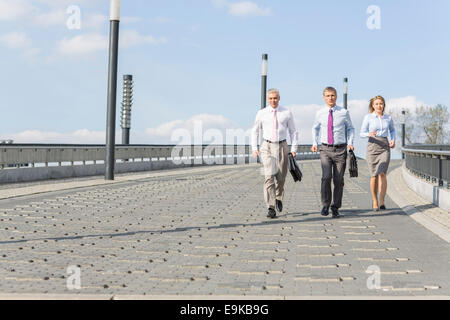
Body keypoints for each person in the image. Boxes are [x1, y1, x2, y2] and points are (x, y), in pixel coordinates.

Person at [252, 89, 298, 219]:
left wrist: (293, 148)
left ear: (279, 98)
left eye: (275, 98)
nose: (273, 100)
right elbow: (255, 131)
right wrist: (254, 147)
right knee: (268, 177)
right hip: (266, 146)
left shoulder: (286, 113)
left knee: (281, 178)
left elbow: (293, 132)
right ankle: (271, 207)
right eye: (271, 98)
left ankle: (278, 197)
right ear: (268, 99)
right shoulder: (262, 113)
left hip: (282, 145)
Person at [311, 87, 355, 218]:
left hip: (341, 149)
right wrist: (314, 142)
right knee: (326, 177)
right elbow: (315, 128)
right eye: (328, 96)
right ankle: (325, 205)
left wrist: (350, 142)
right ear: (324, 97)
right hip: (325, 149)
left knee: (338, 179)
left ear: (336, 97)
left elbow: (351, 128)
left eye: (333, 95)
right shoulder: (320, 113)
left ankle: (335, 207)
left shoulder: (344, 112)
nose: (330, 98)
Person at [360, 95, 396, 211]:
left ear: (384, 105)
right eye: (376, 104)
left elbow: (392, 130)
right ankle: (374, 200)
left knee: (382, 173)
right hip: (372, 145)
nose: (379, 106)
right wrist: (369, 134)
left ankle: (382, 201)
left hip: (384, 146)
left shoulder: (388, 118)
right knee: (374, 175)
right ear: (372, 106)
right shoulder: (368, 117)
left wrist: (393, 140)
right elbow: (362, 133)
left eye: (381, 103)